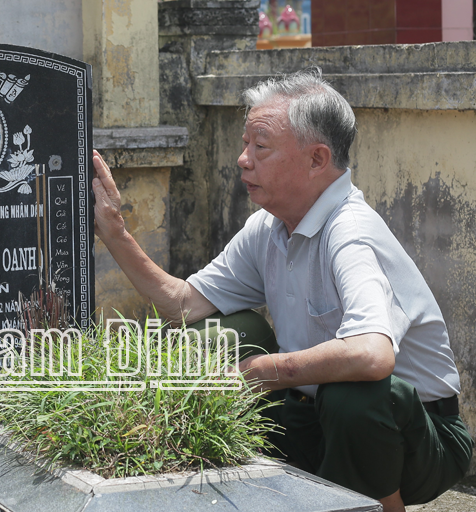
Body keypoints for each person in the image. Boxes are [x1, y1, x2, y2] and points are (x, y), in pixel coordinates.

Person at [92, 68, 472, 512]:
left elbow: (373, 356)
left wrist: (255, 372)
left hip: (418, 438)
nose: (243, 159)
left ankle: (383, 505)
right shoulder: (269, 227)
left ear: (316, 159)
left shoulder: (350, 231)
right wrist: (115, 231)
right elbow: (182, 306)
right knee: (225, 332)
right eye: (244, 143)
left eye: (261, 146)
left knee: (355, 392)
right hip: (315, 418)